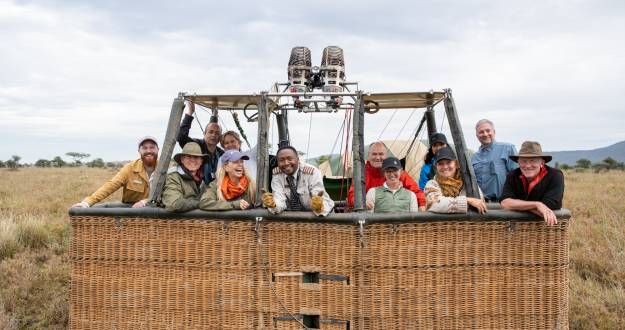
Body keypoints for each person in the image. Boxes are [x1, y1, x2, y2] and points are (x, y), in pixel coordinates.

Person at [72, 136, 159, 208]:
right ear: (139, 151)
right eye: (144, 148)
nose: (148, 151)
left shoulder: (164, 169)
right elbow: (111, 185)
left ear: (158, 149)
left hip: (158, 212)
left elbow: (166, 194)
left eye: (152, 147)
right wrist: (87, 203)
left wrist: (144, 202)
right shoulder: (130, 168)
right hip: (133, 213)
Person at [500, 141, 564, 226]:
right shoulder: (512, 175)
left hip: (546, 227)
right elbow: (505, 203)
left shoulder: (555, 175)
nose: (528, 165)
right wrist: (537, 205)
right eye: (524, 161)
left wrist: (517, 205)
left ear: (542, 163)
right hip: (518, 227)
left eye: (532, 161)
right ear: (518, 163)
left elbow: (549, 205)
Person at [347, 142, 425, 211]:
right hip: (369, 215)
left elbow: (415, 190)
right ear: (368, 155)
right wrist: (361, 202)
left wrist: (422, 204)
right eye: (374, 154)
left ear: (386, 155)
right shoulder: (361, 174)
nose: (377, 158)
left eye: (381, 154)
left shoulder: (398, 173)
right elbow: (353, 194)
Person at [261, 145, 334, 216]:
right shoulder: (277, 174)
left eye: (290, 159)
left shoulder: (312, 172)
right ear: (277, 162)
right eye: (281, 160)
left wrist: (319, 206)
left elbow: (320, 198)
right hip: (293, 218)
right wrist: (274, 205)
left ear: (298, 159)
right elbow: (279, 199)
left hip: (317, 216)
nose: (286, 163)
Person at [425, 146, 487, 214]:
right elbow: (434, 204)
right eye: (440, 164)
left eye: (448, 162)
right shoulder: (432, 184)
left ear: (456, 164)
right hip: (442, 224)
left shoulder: (468, 182)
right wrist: (468, 201)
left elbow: (480, 202)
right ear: (436, 167)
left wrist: (447, 206)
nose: (445, 167)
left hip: (468, 223)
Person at [177, 101, 224, 184]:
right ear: (204, 133)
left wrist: (215, 114)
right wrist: (190, 113)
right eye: (211, 132)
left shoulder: (221, 154)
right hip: (195, 188)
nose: (213, 135)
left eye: (217, 133)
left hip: (215, 189)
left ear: (220, 137)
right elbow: (181, 137)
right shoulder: (196, 146)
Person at [471, 119, 518, 202]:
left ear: (494, 132)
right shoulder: (474, 157)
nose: (485, 134)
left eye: (488, 131)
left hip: (503, 204)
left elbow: (517, 176)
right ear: (477, 135)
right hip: (481, 205)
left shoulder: (507, 148)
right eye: (481, 132)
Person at [162, 142, 208, 212]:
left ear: (201, 161)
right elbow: (174, 204)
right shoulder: (173, 176)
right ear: (182, 160)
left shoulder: (202, 180)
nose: (192, 160)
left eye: (196, 157)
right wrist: (201, 204)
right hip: (176, 221)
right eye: (189, 156)